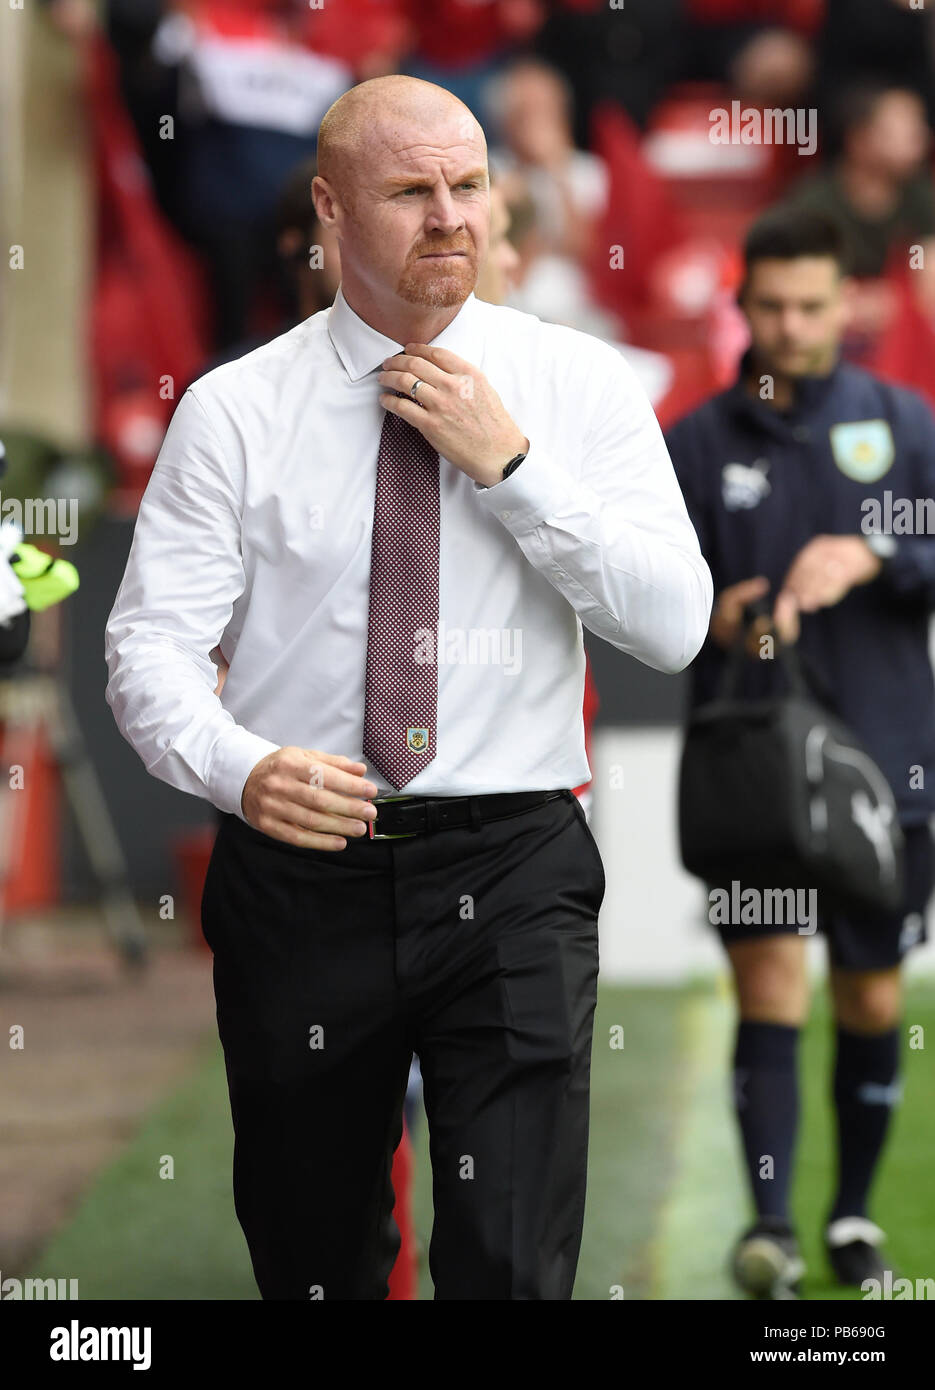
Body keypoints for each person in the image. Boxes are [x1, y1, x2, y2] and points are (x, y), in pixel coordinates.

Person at [105, 73, 711, 1301]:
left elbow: (675, 623)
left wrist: (517, 471)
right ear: (328, 211)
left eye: (469, 185)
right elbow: (147, 648)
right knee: (315, 1257)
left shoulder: (577, 386)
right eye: (409, 191)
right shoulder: (232, 411)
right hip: (302, 867)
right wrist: (243, 768)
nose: (450, 216)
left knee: (508, 1262)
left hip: (514, 861)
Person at [666, 208, 935, 1299]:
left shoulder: (903, 423)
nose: (788, 325)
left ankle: (851, 1217)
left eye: (809, 305)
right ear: (740, 306)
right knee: (767, 984)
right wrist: (713, 616)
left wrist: (874, 554)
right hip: (751, 773)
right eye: (768, 305)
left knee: (869, 1000)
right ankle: (770, 1226)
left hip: (885, 763)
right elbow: (642, 601)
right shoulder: (690, 441)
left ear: (846, 303)